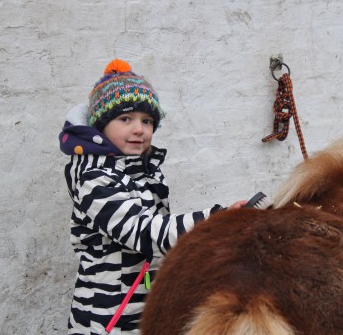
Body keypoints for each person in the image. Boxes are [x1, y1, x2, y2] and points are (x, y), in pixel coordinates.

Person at [59, 59, 246, 334]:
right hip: (107, 315)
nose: (140, 129)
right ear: (101, 126)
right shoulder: (94, 178)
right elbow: (143, 232)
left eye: (147, 121)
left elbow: (159, 239)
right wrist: (215, 220)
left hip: (141, 303)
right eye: (126, 119)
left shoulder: (144, 171)